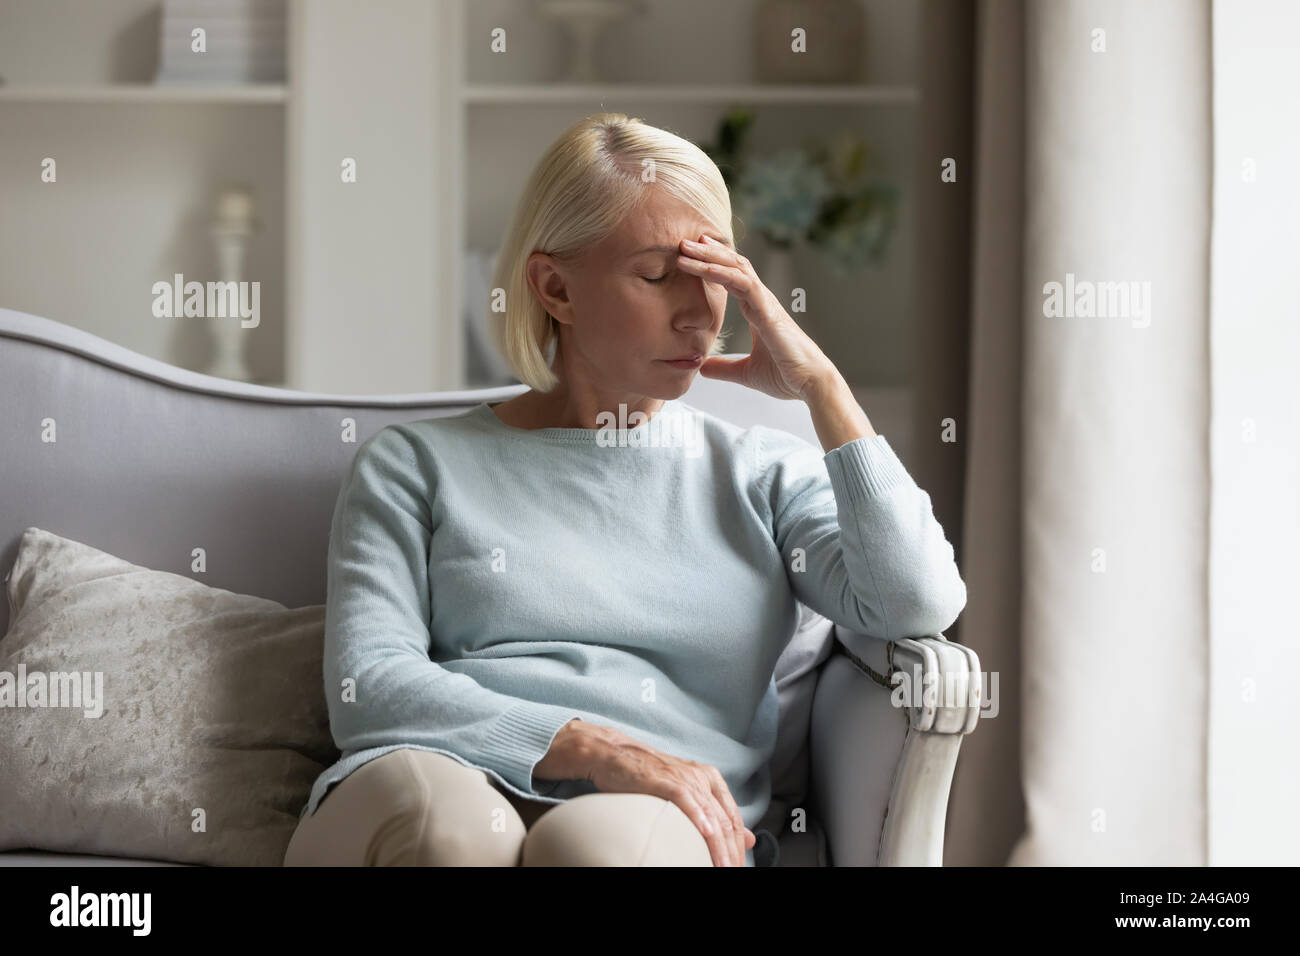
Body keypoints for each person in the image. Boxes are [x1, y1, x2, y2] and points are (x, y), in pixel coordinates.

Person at [283, 112, 966, 868]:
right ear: (554, 288)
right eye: (657, 274)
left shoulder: (764, 472)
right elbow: (368, 685)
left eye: (714, 275)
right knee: (448, 833)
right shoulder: (413, 464)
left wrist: (822, 388)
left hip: (658, 823)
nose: (698, 312)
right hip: (445, 782)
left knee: (603, 849)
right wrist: (584, 746)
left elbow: (914, 601)